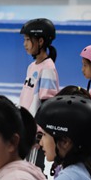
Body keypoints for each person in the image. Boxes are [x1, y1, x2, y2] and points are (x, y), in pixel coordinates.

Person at [18, 18, 59, 171]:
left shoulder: (47, 68)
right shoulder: (32, 67)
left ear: (40, 41)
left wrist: (39, 134)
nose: (25, 43)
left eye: (28, 39)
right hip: (26, 131)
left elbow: (47, 104)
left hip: (35, 136)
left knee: (33, 172)